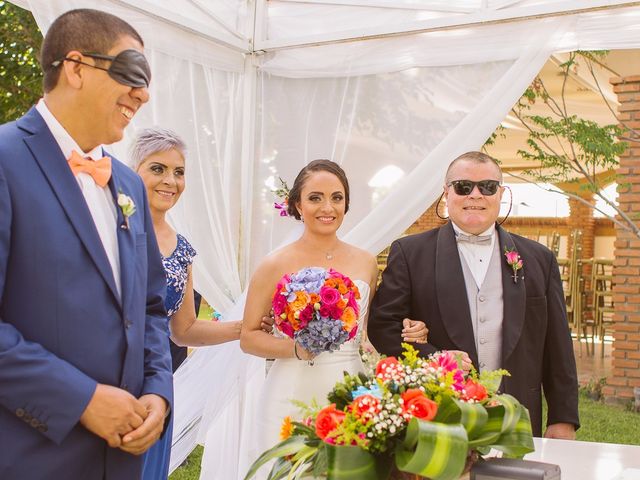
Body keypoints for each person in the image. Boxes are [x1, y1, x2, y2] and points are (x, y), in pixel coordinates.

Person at [0, 9, 172, 479]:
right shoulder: (4, 160)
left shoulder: (129, 186)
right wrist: (82, 400)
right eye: (131, 71)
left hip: (122, 461)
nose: (143, 92)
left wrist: (158, 390)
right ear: (75, 68)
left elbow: (152, 307)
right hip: (28, 456)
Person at [368, 151, 579, 439]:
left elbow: (558, 345)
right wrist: (435, 359)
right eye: (463, 186)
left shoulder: (539, 258)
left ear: (501, 193)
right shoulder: (410, 253)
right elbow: (383, 328)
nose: (475, 195)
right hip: (438, 413)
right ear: (446, 193)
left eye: (488, 187)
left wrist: (562, 417)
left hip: (517, 415)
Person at [239, 159, 428, 460]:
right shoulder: (274, 264)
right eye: (315, 198)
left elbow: (369, 330)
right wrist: (297, 349)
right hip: (290, 389)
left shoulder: (366, 262)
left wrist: (409, 326)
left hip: (350, 385)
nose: (327, 207)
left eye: (336, 198)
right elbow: (248, 338)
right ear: (297, 205)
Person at [130, 127, 246, 479]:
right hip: (108, 377)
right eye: (158, 169)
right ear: (132, 171)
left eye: (179, 172)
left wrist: (247, 327)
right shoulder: (111, 227)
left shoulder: (183, 249)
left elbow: (185, 330)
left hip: (156, 383)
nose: (171, 181)